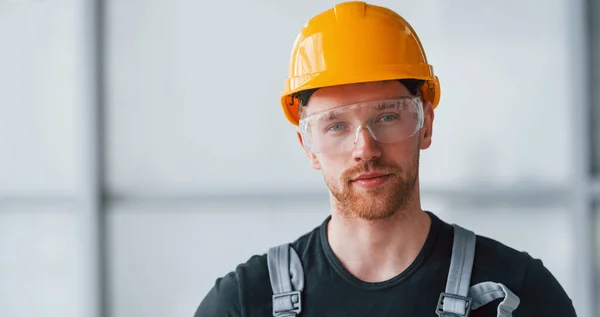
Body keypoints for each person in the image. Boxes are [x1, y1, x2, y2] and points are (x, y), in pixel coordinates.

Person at [194, 1, 577, 316]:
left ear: (425, 125)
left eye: (388, 116)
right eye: (335, 126)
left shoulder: (518, 295)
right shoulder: (243, 303)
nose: (365, 148)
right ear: (307, 147)